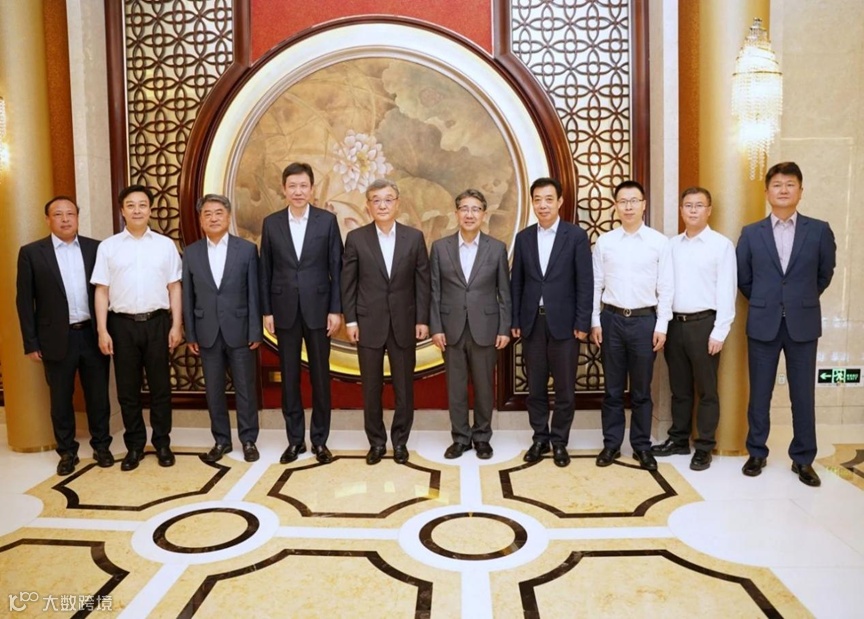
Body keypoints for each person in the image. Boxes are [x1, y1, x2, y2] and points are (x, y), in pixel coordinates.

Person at [736, 161, 836, 487]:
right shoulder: (751, 233)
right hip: (763, 322)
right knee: (759, 394)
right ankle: (757, 452)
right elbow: (744, 278)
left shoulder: (819, 230)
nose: (783, 190)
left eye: (790, 184)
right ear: (767, 192)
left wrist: (797, 300)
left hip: (802, 323)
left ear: (800, 191)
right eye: (777, 185)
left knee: (803, 395)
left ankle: (803, 459)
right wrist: (767, 301)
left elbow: (824, 274)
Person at [15, 197, 113, 476]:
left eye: (70, 213)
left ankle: (101, 446)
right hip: (55, 338)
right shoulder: (32, 253)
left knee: (98, 396)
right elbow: (24, 301)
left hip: (92, 334)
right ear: (48, 219)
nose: (65, 219)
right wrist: (31, 342)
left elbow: (107, 291)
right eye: (58, 214)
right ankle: (67, 451)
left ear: (78, 217)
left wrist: (108, 331)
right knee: (60, 399)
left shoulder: (96, 248)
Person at [91, 185, 182, 471]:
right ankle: (134, 445)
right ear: (122, 211)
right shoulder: (108, 247)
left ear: (150, 209)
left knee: (160, 388)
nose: (137, 210)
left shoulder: (165, 245)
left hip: (157, 323)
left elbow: (174, 287)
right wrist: (102, 330)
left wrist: (176, 325)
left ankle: (162, 443)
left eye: (142, 204)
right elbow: (101, 291)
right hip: (122, 326)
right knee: (127, 390)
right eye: (130, 205)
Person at [342, 178, 431, 465]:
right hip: (368, 323)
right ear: (368, 206)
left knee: (404, 387)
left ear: (397, 203)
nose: (382, 205)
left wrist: (422, 319)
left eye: (388, 199)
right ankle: (377, 443)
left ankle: (400, 442)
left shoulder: (414, 238)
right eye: (376, 200)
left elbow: (423, 282)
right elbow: (348, 284)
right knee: (371, 388)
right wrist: (351, 321)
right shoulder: (356, 238)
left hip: (404, 322)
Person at [260, 162, 343, 465]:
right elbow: (265, 269)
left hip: (319, 310)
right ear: (284, 189)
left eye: (303, 186)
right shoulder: (271, 223)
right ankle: (295, 440)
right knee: (290, 378)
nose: (298, 191)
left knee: (321, 377)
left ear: (312, 189)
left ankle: (319, 440)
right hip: (284, 310)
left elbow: (337, 268)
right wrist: (267, 311)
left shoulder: (327, 221)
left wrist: (336, 309)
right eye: (292, 186)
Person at [651, 187, 736, 471]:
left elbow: (727, 291)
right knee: (679, 388)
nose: (693, 210)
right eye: (688, 205)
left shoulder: (721, 245)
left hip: (704, 325)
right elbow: (664, 287)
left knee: (707, 390)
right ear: (681, 210)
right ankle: (678, 440)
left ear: (709, 210)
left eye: (699, 205)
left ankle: (704, 446)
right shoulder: (671, 245)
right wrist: (663, 324)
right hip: (675, 325)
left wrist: (719, 331)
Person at [510, 177, 593, 467]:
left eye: (548, 199)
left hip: (566, 325)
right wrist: (516, 319)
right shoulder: (524, 238)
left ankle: (559, 441)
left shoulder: (576, 236)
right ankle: (539, 439)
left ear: (559, 201)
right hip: (532, 323)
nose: (542, 205)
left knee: (565, 389)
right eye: (537, 199)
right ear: (532, 203)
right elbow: (517, 283)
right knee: (535, 387)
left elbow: (585, 282)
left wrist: (582, 322)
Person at [591, 180, 673, 471]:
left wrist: (662, 325)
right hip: (611, 320)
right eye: (623, 201)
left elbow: (666, 287)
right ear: (615, 206)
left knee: (641, 390)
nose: (628, 207)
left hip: (644, 321)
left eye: (633, 201)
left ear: (643, 204)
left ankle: (641, 446)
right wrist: (595, 320)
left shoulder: (659, 242)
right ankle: (611, 444)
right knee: (612, 389)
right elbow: (596, 284)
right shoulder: (605, 242)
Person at [430, 189, 512, 460]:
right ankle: (460, 438)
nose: (469, 214)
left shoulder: (496, 248)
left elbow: (504, 292)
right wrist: (436, 327)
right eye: (464, 209)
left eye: (475, 209)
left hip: (486, 327)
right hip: (451, 327)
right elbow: (434, 291)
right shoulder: (440, 248)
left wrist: (504, 328)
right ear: (456, 213)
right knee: (456, 387)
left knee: (484, 387)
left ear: (483, 215)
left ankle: (482, 438)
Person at [182, 194, 263, 463]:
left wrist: (255, 330)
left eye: (218, 213)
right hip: (207, 332)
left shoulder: (247, 250)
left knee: (245, 388)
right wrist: (191, 333)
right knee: (214, 390)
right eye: (207, 214)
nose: (213, 218)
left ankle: (249, 440)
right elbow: (188, 296)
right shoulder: (191, 252)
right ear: (200, 220)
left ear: (228, 217)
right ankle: (221, 441)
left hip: (240, 330)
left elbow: (254, 293)